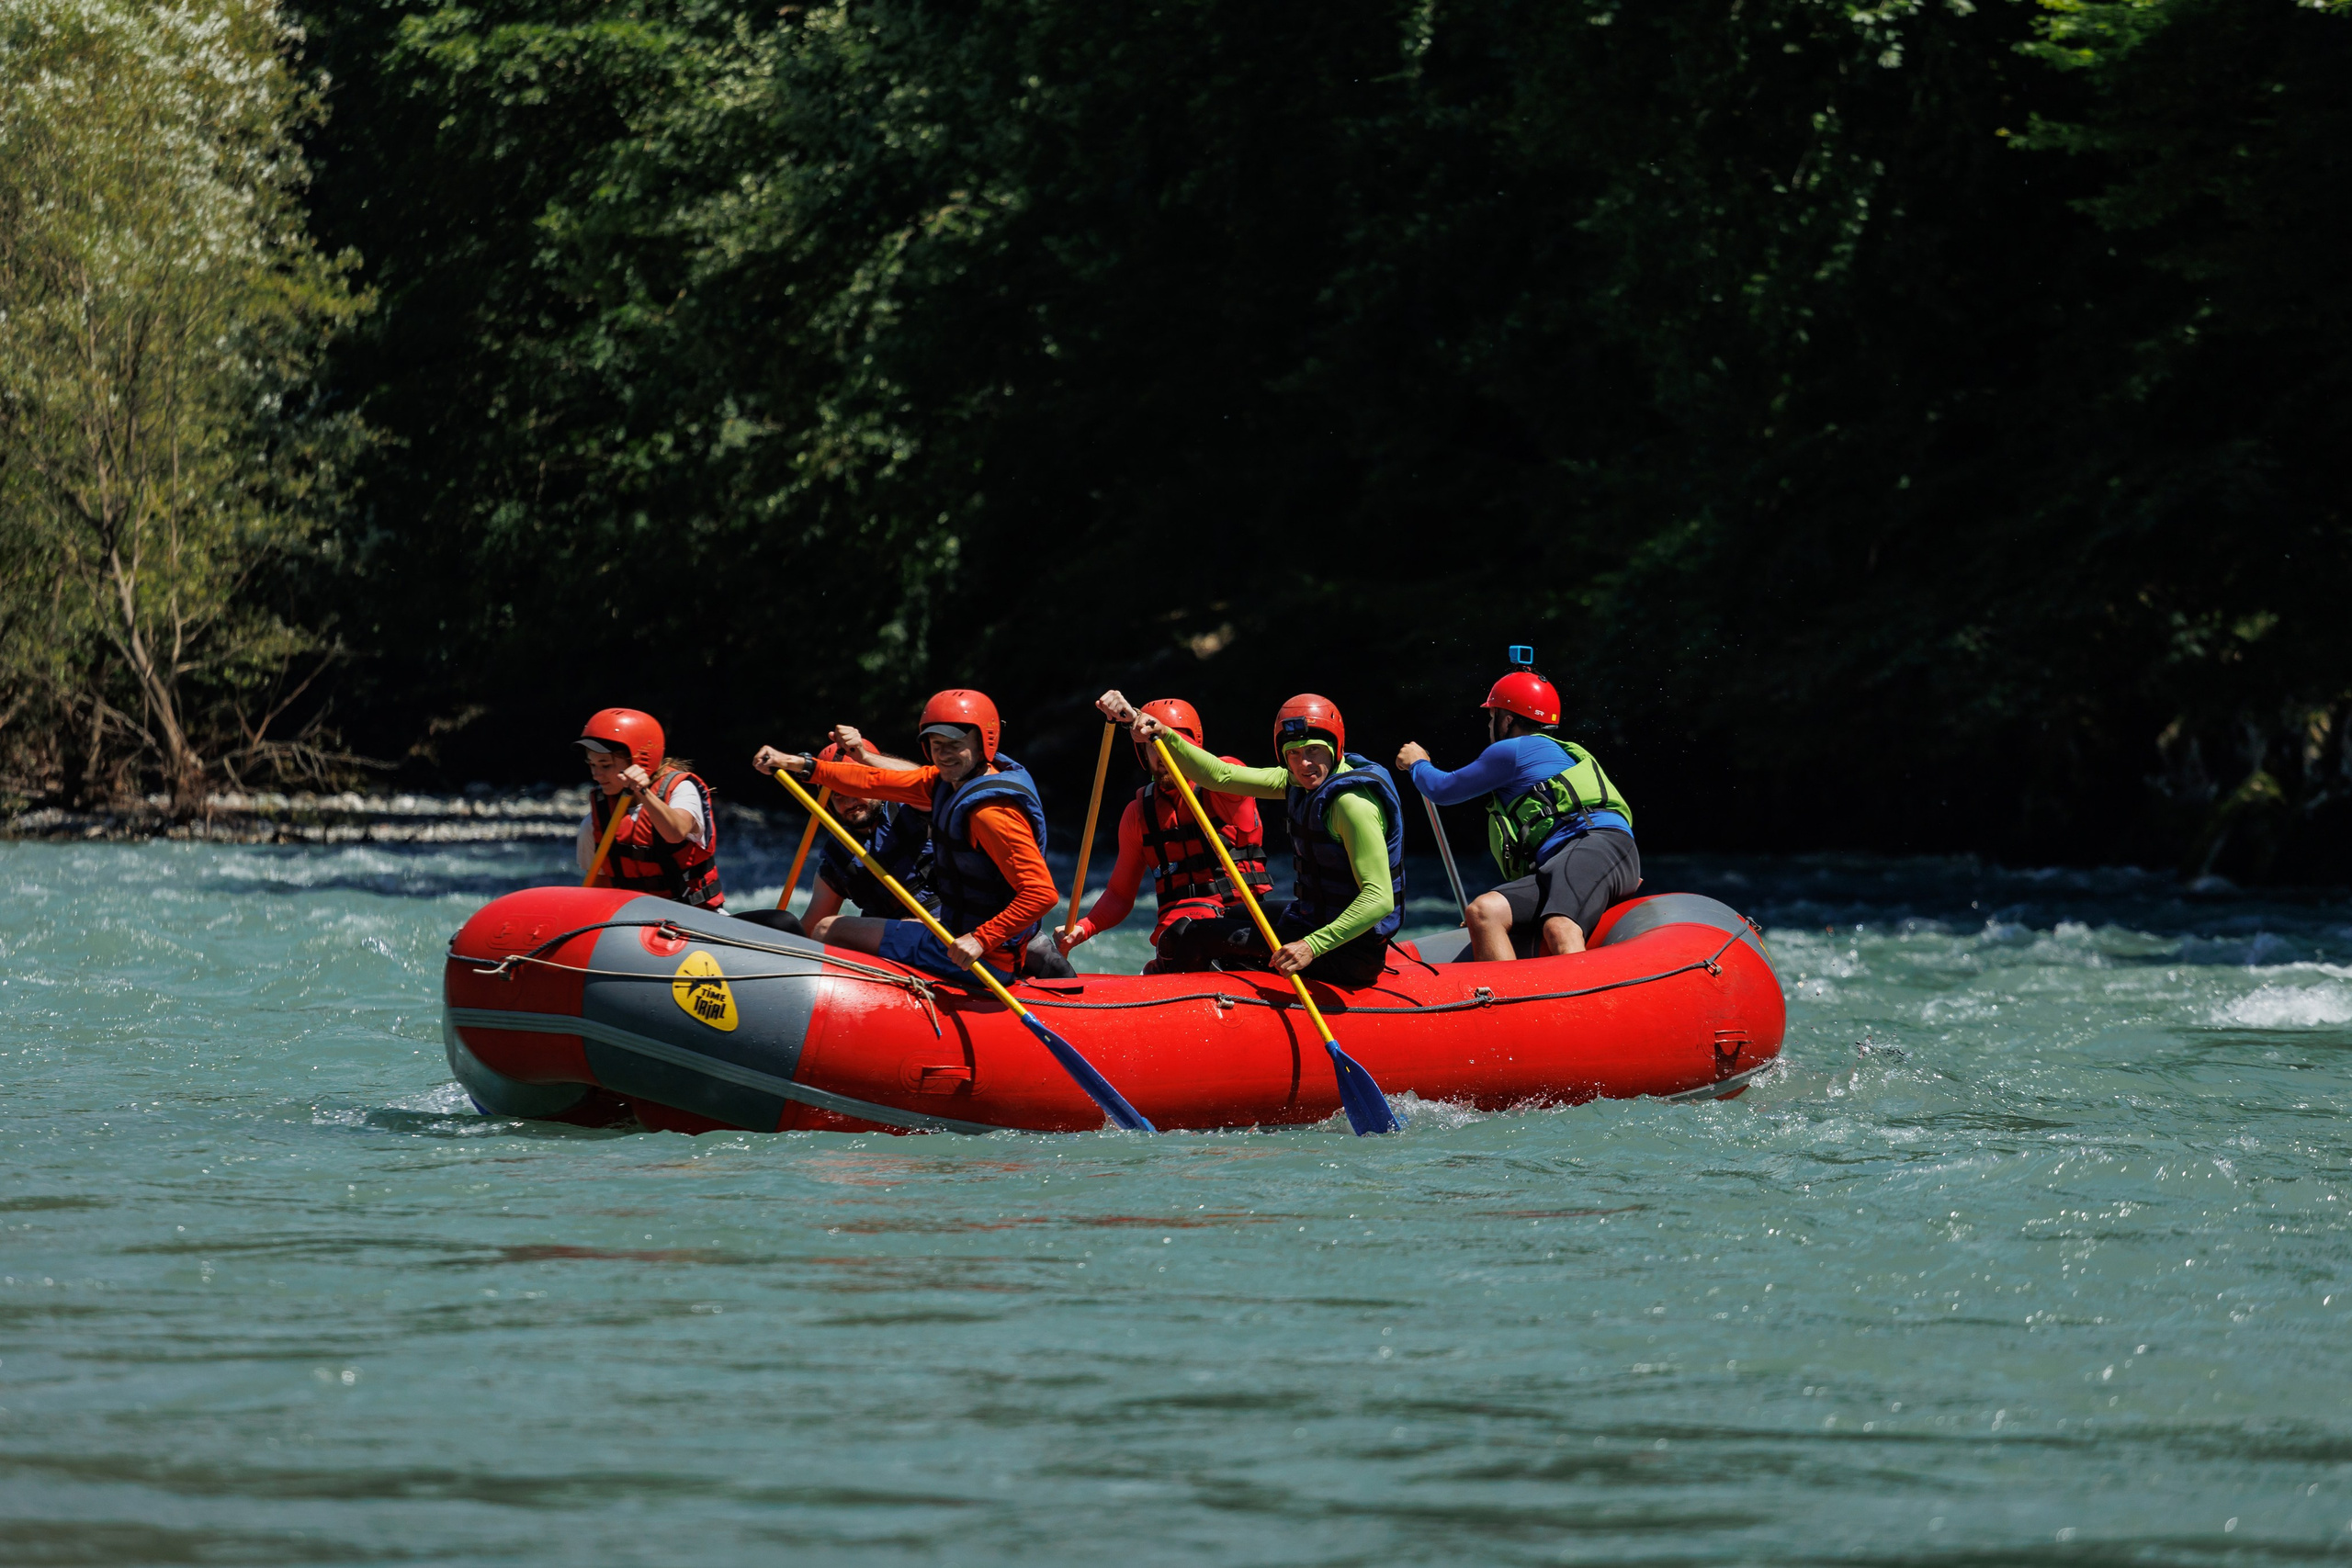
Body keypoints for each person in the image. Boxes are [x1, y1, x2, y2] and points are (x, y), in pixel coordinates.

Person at [752, 689, 1060, 982]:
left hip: (979, 957)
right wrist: (796, 763)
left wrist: (981, 939)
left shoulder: (990, 814)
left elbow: (1041, 894)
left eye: (954, 744)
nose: (944, 754)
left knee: (827, 931)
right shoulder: (942, 784)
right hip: (960, 937)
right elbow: (870, 780)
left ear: (984, 742)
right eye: (936, 745)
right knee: (827, 929)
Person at [1127, 692, 1405, 988]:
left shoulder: (1352, 806)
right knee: (1227, 915)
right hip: (1313, 918)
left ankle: (1183, 1009)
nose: (1304, 763)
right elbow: (1220, 776)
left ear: (1335, 748)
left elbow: (1379, 899)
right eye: (1293, 753)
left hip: (1349, 952)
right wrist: (1163, 733)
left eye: (1314, 750)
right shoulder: (1298, 781)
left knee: (1197, 935)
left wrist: (1310, 946)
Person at [1394, 657, 1636, 961]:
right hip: (1561, 861)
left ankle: (1583, 992)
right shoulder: (1544, 752)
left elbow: (1442, 789)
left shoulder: (1514, 750)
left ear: (1507, 720)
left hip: (1596, 844)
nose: (1489, 725)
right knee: (1483, 912)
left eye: (1492, 716)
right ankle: (1511, 994)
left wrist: (1417, 762)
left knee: (1559, 926)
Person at [1057, 694, 1274, 974]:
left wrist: (1138, 719)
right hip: (1175, 943)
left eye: (1168, 742)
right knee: (1177, 935)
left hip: (1237, 929)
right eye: (1151, 746)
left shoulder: (1224, 785)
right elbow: (1119, 895)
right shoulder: (1138, 813)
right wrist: (1083, 928)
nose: (1161, 753)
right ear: (1142, 753)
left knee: (1187, 933)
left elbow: (1220, 772)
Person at [576, 707, 725, 909]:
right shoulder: (595, 821)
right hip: (634, 918)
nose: (596, 774)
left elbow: (676, 832)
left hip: (693, 912)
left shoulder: (682, 790)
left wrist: (642, 792)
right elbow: (598, 883)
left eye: (605, 765)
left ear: (639, 761)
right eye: (592, 765)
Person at [801, 744, 937, 942]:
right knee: (820, 930)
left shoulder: (913, 809)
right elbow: (809, 928)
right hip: (896, 940)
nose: (849, 802)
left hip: (947, 928)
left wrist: (865, 757)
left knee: (828, 928)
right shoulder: (838, 854)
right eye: (837, 794)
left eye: (854, 787)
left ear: (876, 783)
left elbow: (931, 783)